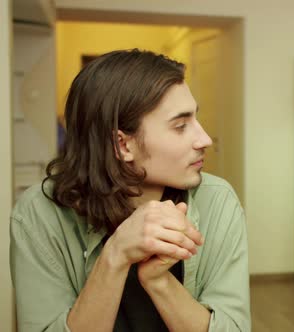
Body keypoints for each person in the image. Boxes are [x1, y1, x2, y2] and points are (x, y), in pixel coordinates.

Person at [10, 49, 250, 332]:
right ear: (122, 145)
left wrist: (159, 282)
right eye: (181, 126)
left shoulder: (217, 200)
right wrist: (116, 255)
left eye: (195, 119)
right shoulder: (39, 213)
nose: (205, 139)